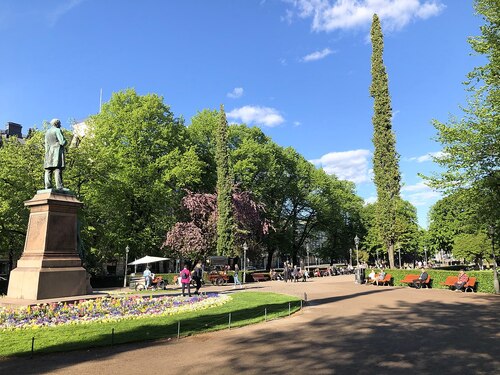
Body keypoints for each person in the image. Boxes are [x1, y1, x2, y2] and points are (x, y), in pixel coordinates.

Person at [44, 118, 67, 190]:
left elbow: (46, 144)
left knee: (48, 170)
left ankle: (47, 186)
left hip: (48, 152)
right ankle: (59, 187)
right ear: (56, 124)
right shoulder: (57, 130)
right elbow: (62, 142)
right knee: (57, 169)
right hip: (56, 151)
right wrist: (66, 141)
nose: (60, 125)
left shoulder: (47, 132)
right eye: (59, 123)